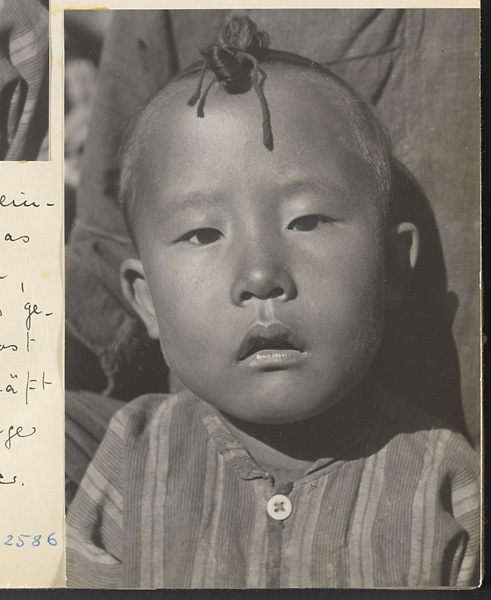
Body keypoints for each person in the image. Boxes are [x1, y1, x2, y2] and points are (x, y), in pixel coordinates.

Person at [66, 17, 479, 589]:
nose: (261, 276)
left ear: (390, 267)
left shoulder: (443, 476)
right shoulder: (130, 458)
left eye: (306, 220)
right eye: (204, 234)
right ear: (147, 299)